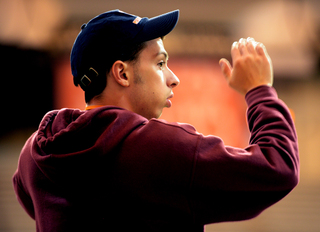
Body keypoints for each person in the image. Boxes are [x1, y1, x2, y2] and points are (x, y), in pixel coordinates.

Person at [13, 9, 299, 232]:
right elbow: (278, 168)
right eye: (160, 63)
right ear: (122, 74)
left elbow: (29, 198)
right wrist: (259, 90)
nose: (173, 78)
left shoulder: (34, 155)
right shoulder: (160, 150)